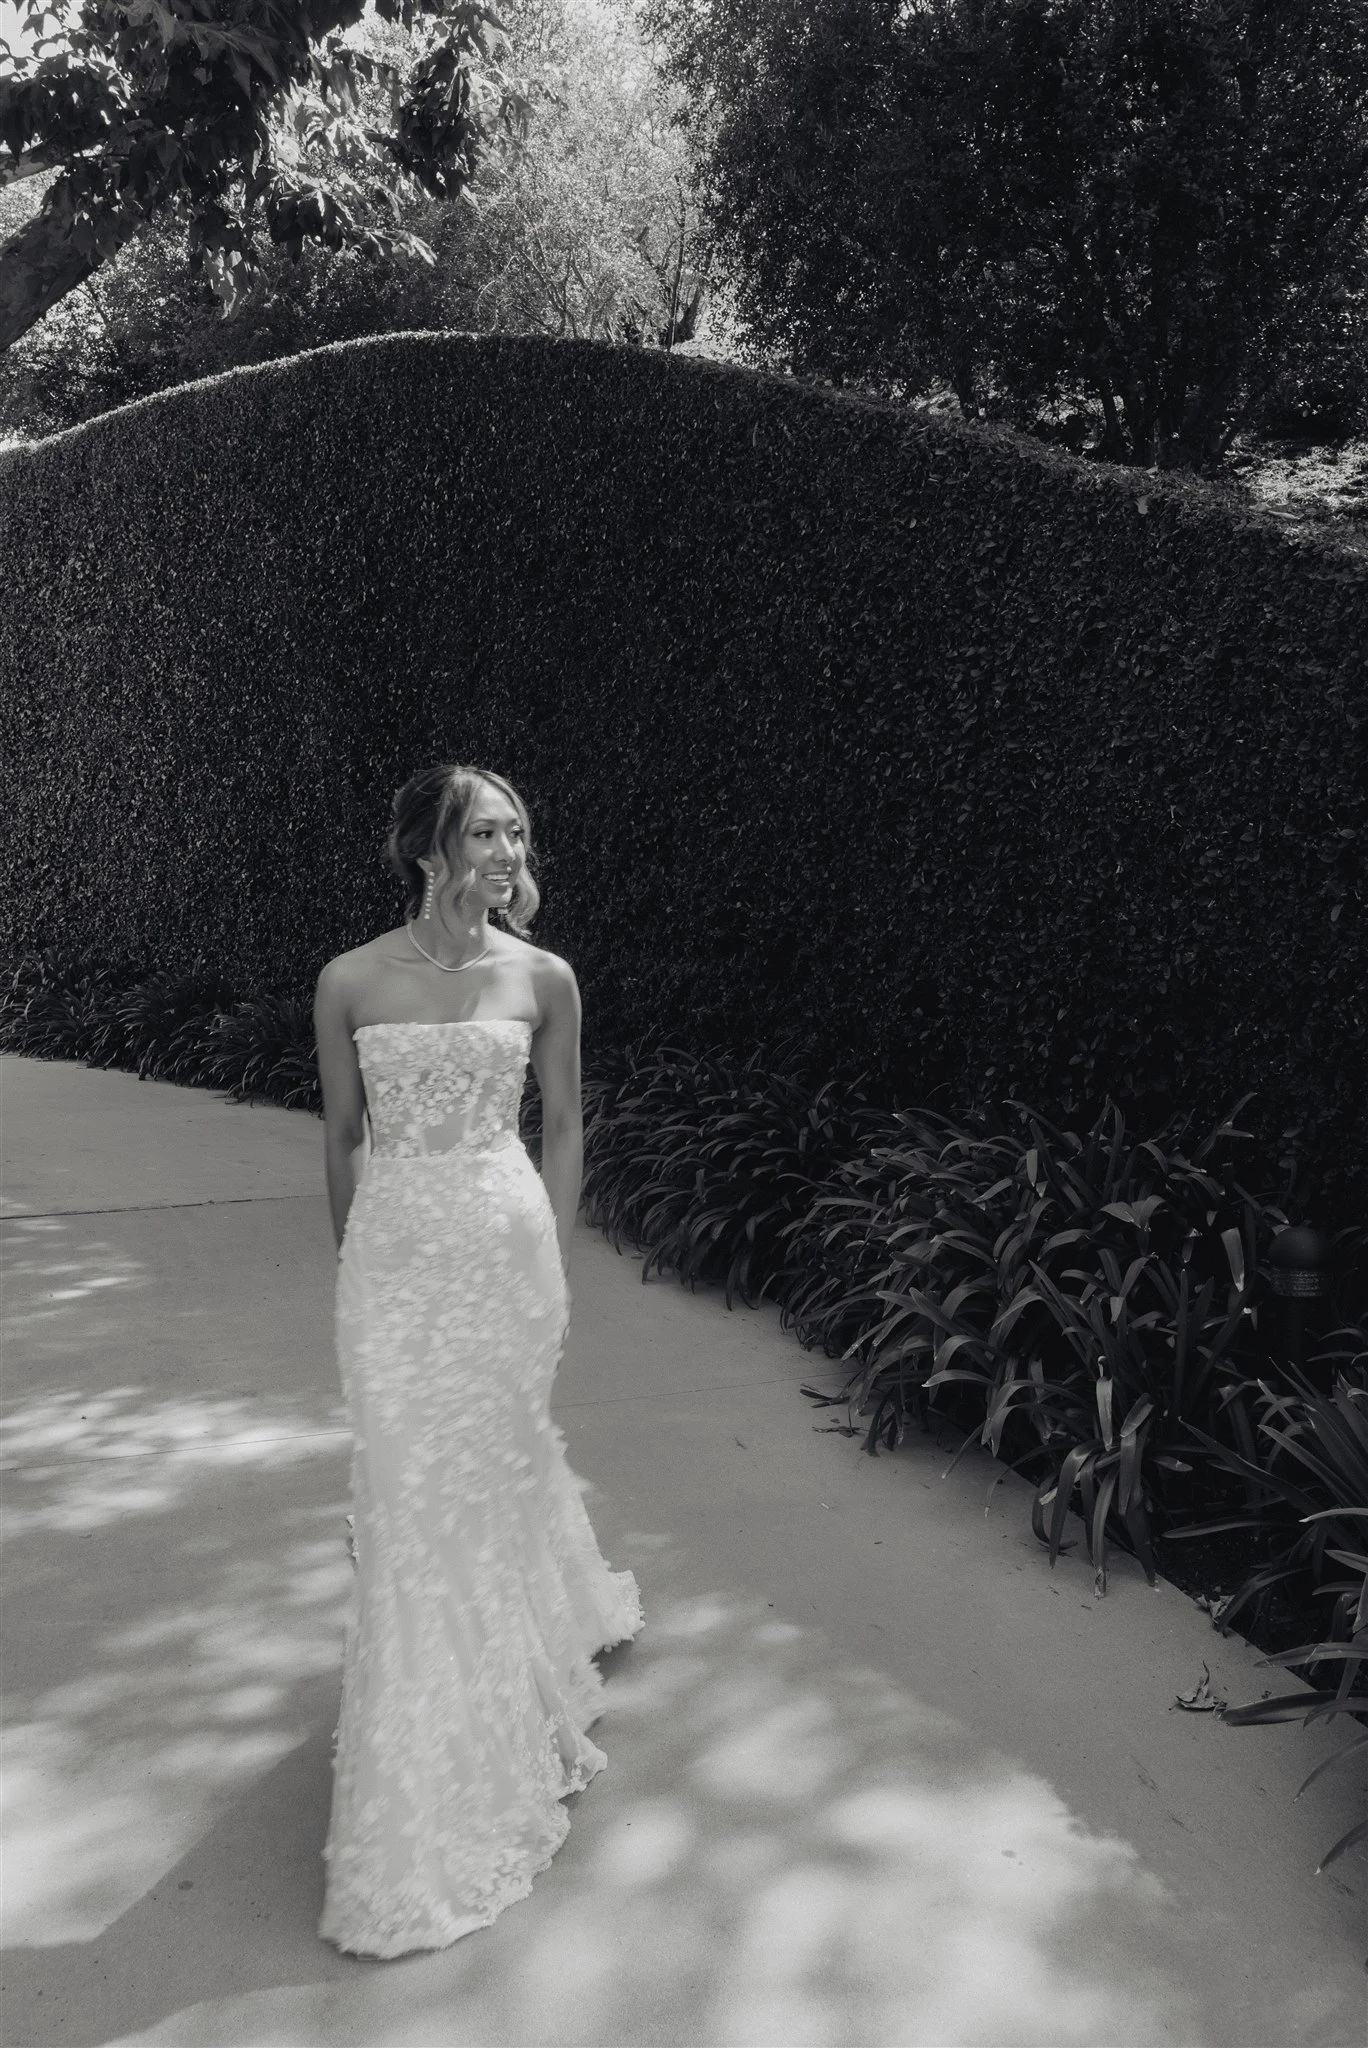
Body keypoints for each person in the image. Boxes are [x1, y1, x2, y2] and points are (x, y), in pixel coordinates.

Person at [312, 762, 643, 1959]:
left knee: (488, 1466)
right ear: (426, 847)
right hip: (395, 1266)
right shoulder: (349, 979)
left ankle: (485, 1706)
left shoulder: (542, 975)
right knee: (406, 1497)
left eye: (515, 830)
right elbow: (343, 1139)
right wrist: (358, 1266)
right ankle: (422, 1743)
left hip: (502, 1250)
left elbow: (562, 1123)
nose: (506, 851)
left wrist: (553, 1257)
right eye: (482, 832)